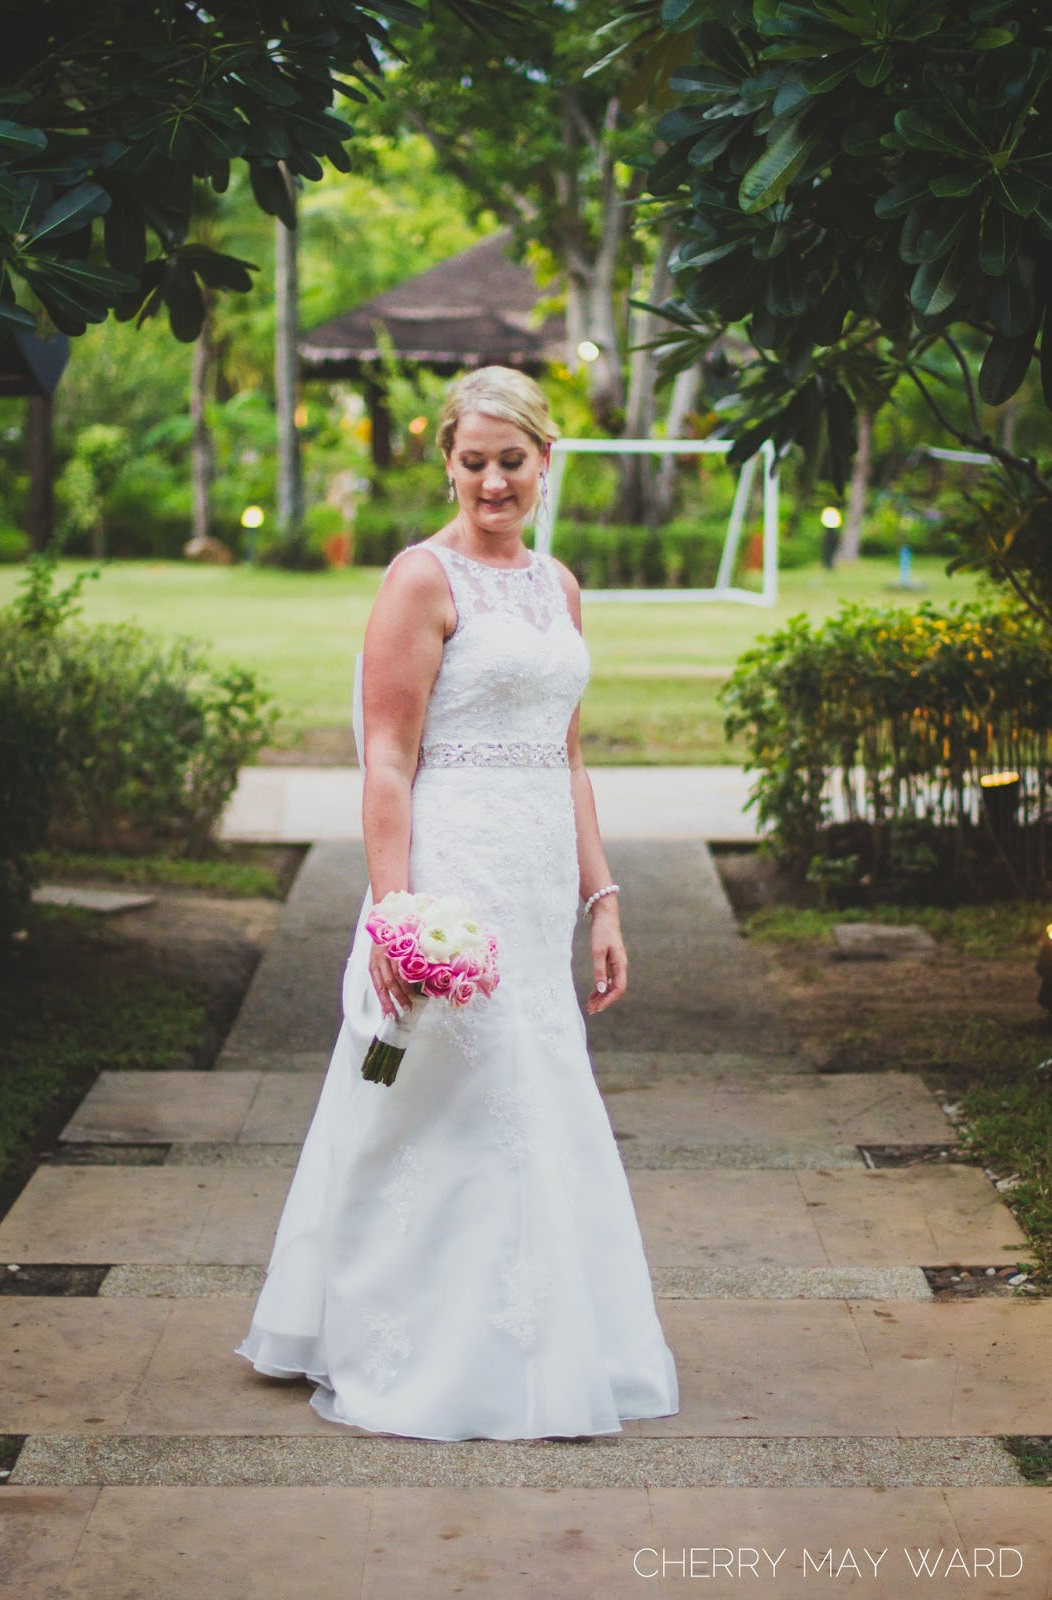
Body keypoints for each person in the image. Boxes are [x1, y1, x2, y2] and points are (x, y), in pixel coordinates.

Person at [234, 365, 679, 1440]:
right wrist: (394, 911)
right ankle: (406, 1336)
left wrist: (601, 896)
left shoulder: (559, 586)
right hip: (451, 871)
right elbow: (387, 759)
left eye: (510, 462)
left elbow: (567, 758)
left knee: (538, 1090)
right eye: (472, 461)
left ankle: (553, 1336)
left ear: (542, 462)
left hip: (534, 882)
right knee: (432, 1091)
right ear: (447, 460)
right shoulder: (419, 580)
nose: (491, 482)